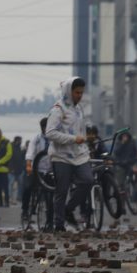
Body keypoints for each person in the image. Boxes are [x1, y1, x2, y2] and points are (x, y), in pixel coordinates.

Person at [46, 77, 95, 231]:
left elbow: (81, 130)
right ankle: (59, 224)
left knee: (88, 181)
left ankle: (69, 209)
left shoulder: (79, 109)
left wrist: (87, 138)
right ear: (69, 91)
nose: (79, 95)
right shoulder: (58, 109)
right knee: (62, 190)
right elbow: (50, 133)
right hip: (61, 156)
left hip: (80, 155)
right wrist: (73, 139)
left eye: (81, 92)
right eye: (76, 92)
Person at [22, 118, 53, 228]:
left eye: (47, 127)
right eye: (43, 127)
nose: (45, 129)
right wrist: (29, 165)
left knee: (52, 195)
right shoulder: (36, 139)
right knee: (28, 187)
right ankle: (25, 210)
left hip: (50, 171)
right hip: (37, 170)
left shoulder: (55, 139)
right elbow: (30, 152)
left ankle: (50, 220)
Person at [9, 136, 25, 204]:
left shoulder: (19, 148)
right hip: (12, 170)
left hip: (19, 170)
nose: (21, 142)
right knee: (11, 184)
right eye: (20, 140)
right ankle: (9, 198)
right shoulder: (11, 147)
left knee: (20, 184)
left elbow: (20, 158)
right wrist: (11, 168)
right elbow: (10, 159)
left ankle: (18, 197)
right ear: (17, 140)